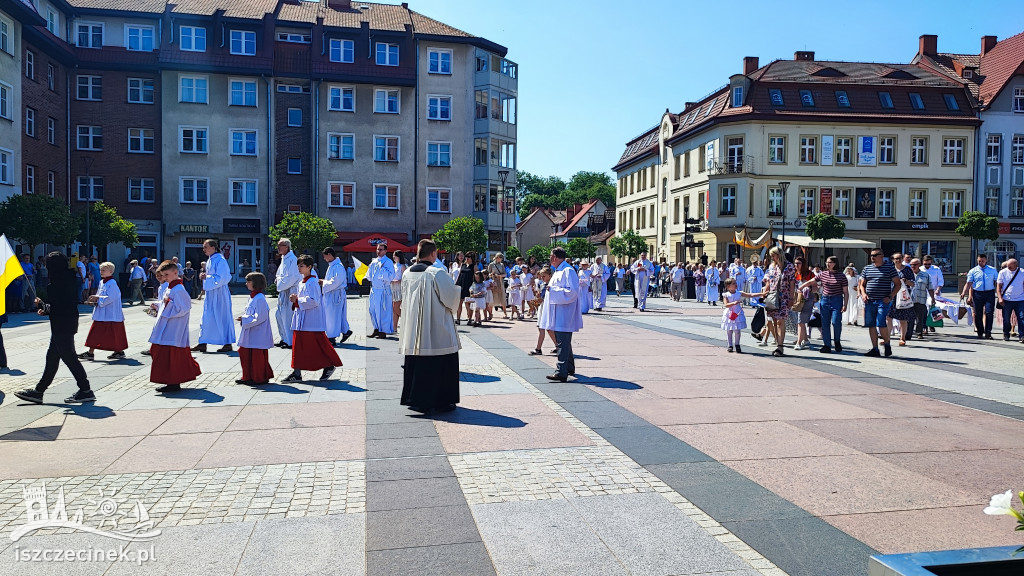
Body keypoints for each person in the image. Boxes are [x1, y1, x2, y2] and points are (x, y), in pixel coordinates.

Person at [14, 252, 96, 404]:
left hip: (62, 324)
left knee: (69, 357)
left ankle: (85, 389)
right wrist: (46, 308)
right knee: (52, 357)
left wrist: (42, 304)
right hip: (66, 322)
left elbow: (59, 306)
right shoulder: (69, 278)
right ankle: (39, 391)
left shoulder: (57, 283)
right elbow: (64, 304)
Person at [399, 240, 462, 413]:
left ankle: (415, 399)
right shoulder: (436, 273)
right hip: (435, 328)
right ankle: (442, 401)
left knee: (416, 364)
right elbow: (451, 298)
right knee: (440, 363)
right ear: (433, 254)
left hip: (413, 329)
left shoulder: (407, 273)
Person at [282, 255, 342, 383]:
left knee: (317, 346)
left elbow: (314, 301)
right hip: (301, 321)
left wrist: (297, 300)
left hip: (311, 321)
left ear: (310, 267)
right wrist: (295, 299)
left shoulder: (312, 282)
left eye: (302, 266)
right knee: (299, 347)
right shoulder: (302, 282)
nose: (299, 268)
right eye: (298, 266)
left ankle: (328, 365)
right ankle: (297, 372)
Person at [148, 260, 202, 393]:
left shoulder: (179, 289)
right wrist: (158, 305)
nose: (165, 278)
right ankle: (170, 380)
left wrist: (165, 307)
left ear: (175, 272)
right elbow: (167, 304)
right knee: (159, 351)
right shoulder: (170, 287)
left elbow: (184, 308)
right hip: (167, 326)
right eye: (163, 275)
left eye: (167, 274)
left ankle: (173, 382)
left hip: (174, 328)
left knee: (169, 354)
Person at [540, 246, 582, 382]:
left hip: (564, 313)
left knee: (562, 342)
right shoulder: (558, 271)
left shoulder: (568, 271)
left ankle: (561, 372)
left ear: (555, 257)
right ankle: (568, 367)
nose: (550, 259)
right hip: (557, 312)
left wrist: (553, 290)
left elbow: (573, 292)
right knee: (563, 342)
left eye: (551, 256)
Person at [78, 261, 128, 360]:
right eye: (100, 270)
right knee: (95, 331)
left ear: (110, 271)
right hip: (102, 312)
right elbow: (100, 295)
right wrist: (95, 300)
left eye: (103, 270)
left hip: (111, 313)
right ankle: (90, 352)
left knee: (114, 333)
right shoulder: (102, 282)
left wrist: (98, 298)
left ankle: (119, 351)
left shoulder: (112, 283)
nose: (101, 272)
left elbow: (112, 297)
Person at [193, 239, 236, 353]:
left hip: (220, 293)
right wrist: (205, 276)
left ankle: (227, 343)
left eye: (205, 247)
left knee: (222, 316)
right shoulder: (210, 259)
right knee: (207, 317)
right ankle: (203, 342)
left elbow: (223, 277)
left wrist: (206, 277)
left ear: (213, 247)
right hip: (211, 293)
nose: (204, 249)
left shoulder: (220, 260)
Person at [859, 249, 901, 357]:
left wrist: (890, 296)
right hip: (870, 301)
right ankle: (875, 348)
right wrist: (863, 294)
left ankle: (887, 344)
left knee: (881, 322)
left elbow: (897, 284)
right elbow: (862, 284)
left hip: (883, 300)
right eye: (871, 255)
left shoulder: (889, 268)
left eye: (875, 255)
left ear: (881, 256)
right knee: (871, 324)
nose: (872, 257)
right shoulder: (867, 268)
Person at [236, 272, 274, 386]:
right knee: (245, 353)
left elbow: (260, 317)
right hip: (251, 331)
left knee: (256, 356)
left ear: (255, 283)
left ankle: (259, 377)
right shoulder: (253, 297)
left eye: (249, 281)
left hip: (258, 333)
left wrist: (245, 319)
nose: (246, 283)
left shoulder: (260, 298)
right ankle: (247, 376)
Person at [757, 247, 796, 357]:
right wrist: (764, 293)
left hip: (784, 296)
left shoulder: (789, 266)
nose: (772, 258)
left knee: (780, 321)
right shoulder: (772, 267)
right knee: (773, 321)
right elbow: (769, 281)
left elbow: (792, 282)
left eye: (773, 255)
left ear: (779, 255)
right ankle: (777, 342)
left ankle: (780, 346)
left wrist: (791, 298)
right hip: (773, 296)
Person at [961, 253, 999, 340]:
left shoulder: (992, 270)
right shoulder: (973, 271)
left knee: (989, 312)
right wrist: (964, 292)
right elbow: (968, 283)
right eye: (979, 261)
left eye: (982, 261)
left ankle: (988, 332)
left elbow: (997, 282)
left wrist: (1000, 293)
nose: (980, 263)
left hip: (989, 293)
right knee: (978, 313)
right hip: (977, 293)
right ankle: (980, 331)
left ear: (986, 261)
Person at [816, 256, 848, 353]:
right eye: (826, 262)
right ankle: (827, 345)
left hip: (837, 299)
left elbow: (846, 292)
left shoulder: (841, 276)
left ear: (835, 263)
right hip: (825, 299)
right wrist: (803, 286)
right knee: (825, 323)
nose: (827, 264)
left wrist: (845, 304)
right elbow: (814, 280)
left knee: (836, 322)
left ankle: (837, 341)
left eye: (830, 262)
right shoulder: (823, 274)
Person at [321, 247, 353, 345]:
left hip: (335, 294)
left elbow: (336, 282)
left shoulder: (338, 266)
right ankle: (346, 331)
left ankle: (332, 337)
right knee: (337, 315)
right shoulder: (332, 265)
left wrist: (323, 283)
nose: (324, 259)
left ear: (330, 255)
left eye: (325, 256)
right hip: (333, 293)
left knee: (332, 315)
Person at [367, 243, 397, 338]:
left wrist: (382, 271)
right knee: (372, 309)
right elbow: (369, 276)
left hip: (383, 290)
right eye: (377, 249)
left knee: (383, 310)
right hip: (374, 289)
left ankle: (383, 331)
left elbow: (391, 276)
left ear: (385, 251)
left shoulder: (388, 262)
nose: (378, 251)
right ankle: (376, 328)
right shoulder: (374, 261)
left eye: (381, 249)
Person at [275, 238, 300, 348]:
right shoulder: (284, 259)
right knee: (279, 315)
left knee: (288, 316)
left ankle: (290, 341)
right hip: (283, 291)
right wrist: (279, 280)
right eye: (278, 245)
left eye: (281, 245)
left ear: (287, 247)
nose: (278, 248)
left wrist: (280, 283)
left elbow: (292, 277)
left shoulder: (292, 260)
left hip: (290, 291)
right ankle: (284, 338)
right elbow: (279, 275)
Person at [888, 252, 917, 346]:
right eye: (896, 258)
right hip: (892, 295)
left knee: (903, 319)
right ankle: (887, 337)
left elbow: (913, 284)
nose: (898, 260)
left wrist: (906, 281)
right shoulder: (890, 270)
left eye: (900, 258)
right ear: (893, 260)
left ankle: (902, 338)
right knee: (888, 317)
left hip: (904, 296)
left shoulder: (907, 270)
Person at [529, 266, 558, 355]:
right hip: (542, 308)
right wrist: (537, 296)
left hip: (548, 308)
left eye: (544, 276)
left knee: (546, 328)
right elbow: (541, 296)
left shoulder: (552, 285)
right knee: (544, 328)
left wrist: (540, 299)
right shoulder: (542, 285)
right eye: (541, 276)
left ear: (550, 275)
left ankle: (539, 349)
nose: (542, 278)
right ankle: (557, 346)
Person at [721, 278, 753, 353]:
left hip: (737, 312)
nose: (736, 284)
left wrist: (761, 294)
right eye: (733, 283)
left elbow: (750, 295)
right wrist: (733, 303)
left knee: (737, 330)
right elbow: (726, 304)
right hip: (729, 313)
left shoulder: (739, 293)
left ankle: (737, 344)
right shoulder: (726, 295)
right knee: (729, 330)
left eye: (735, 283)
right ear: (728, 286)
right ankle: (730, 345)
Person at [997, 258, 1024, 343]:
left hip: (1020, 299)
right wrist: (1000, 298)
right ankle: (1006, 334)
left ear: (1016, 265)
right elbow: (999, 286)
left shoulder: (1022, 272)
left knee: (1021, 318)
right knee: (1006, 318)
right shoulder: (1003, 272)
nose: (1008, 268)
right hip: (1007, 299)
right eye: (1007, 266)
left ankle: (1022, 335)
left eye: (1010, 267)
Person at [792, 256, 816, 350]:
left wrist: (808, 288)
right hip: (797, 298)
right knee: (800, 320)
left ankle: (798, 342)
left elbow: (816, 287)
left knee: (801, 321)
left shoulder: (810, 274)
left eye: (798, 263)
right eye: (795, 263)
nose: (796, 265)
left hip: (807, 298)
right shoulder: (795, 274)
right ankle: (805, 339)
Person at [909, 258, 934, 341]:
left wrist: (933, 298)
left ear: (919, 265)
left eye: (915, 264)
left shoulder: (925, 275)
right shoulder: (908, 274)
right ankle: (908, 333)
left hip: (921, 299)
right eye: (911, 264)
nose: (913, 266)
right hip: (909, 300)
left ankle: (919, 333)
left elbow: (930, 288)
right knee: (909, 318)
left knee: (920, 317)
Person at [454, 253, 475, 325]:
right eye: (466, 256)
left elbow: (476, 277)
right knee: (459, 303)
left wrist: (474, 287)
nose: (466, 258)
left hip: (469, 287)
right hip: (461, 286)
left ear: (472, 258)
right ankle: (458, 319)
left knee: (468, 303)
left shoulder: (474, 266)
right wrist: (456, 285)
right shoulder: (463, 265)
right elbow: (459, 275)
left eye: (468, 257)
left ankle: (469, 319)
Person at [488, 253, 508, 319]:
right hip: (493, 281)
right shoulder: (491, 264)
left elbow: (505, 274)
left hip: (500, 281)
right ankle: (490, 314)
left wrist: (500, 276)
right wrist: (492, 274)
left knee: (502, 296)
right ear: (497, 257)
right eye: (500, 258)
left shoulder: (501, 265)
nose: (501, 259)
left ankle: (505, 313)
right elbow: (488, 274)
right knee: (492, 297)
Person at [391, 251, 407, 331]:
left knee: (396, 307)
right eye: (393, 256)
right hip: (392, 287)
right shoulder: (393, 266)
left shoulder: (402, 266)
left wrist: (398, 281)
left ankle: (406, 321)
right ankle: (394, 327)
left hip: (399, 287)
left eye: (395, 256)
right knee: (393, 309)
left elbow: (405, 278)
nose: (393, 257)